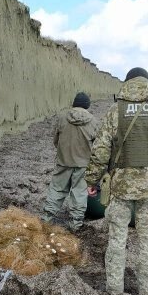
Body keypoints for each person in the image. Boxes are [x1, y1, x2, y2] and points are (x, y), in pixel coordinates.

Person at [85, 67, 148, 295]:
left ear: (127, 83)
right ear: (147, 83)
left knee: (116, 243)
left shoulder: (116, 109)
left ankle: (114, 293)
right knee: (147, 245)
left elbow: (101, 149)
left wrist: (92, 179)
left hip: (120, 186)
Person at [42, 92, 98, 232]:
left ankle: (47, 218)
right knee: (79, 193)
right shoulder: (93, 121)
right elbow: (97, 146)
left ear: (74, 103)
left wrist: (64, 153)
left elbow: (56, 141)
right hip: (83, 164)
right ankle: (76, 223)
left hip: (63, 161)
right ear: (87, 105)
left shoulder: (62, 117)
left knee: (57, 189)